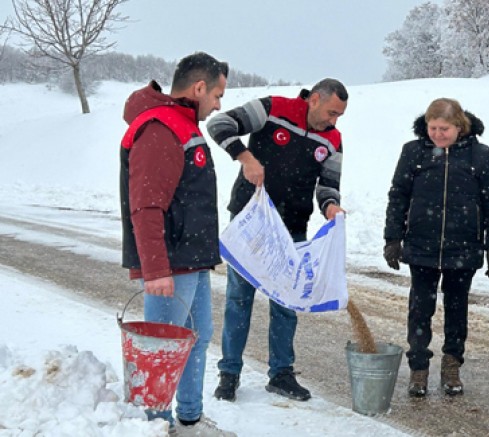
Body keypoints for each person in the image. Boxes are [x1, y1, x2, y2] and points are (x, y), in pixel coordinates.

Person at [207, 79, 348, 402]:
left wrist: (330, 206)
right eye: (331, 112)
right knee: (239, 298)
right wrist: (245, 157)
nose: (333, 120)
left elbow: (328, 184)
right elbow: (220, 123)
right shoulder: (272, 110)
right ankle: (229, 373)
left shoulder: (333, 139)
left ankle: (281, 374)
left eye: (339, 115)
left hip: (292, 227)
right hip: (251, 220)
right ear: (314, 99)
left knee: (286, 303)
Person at [120, 51, 236, 436]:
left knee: (196, 339)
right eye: (217, 94)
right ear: (199, 87)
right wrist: (155, 269)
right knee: (161, 350)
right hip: (170, 263)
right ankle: (154, 424)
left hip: (192, 259)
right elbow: (146, 205)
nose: (219, 104)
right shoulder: (160, 127)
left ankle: (189, 418)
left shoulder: (184, 125)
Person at [383, 98, 489, 397]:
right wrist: (392, 238)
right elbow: (398, 195)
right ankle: (419, 368)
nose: (437, 134)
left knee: (456, 309)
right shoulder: (414, 152)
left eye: (444, 128)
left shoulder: (481, 155)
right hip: (422, 244)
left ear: (459, 126)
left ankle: (452, 365)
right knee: (420, 309)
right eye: (433, 127)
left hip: (463, 247)